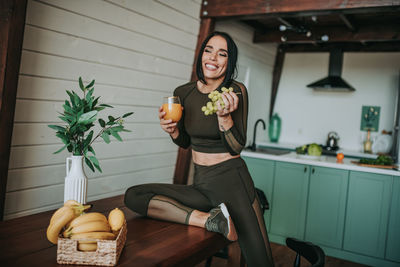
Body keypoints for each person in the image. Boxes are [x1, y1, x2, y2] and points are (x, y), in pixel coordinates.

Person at [124, 31, 274, 267]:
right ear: (201, 54)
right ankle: (209, 220)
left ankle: (217, 220)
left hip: (232, 182)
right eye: (208, 50)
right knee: (134, 195)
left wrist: (225, 117)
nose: (213, 58)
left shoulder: (234, 92)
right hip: (201, 183)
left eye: (222, 53)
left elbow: (236, 147)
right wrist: (172, 131)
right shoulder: (182, 93)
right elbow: (185, 142)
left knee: (260, 261)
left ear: (229, 62)